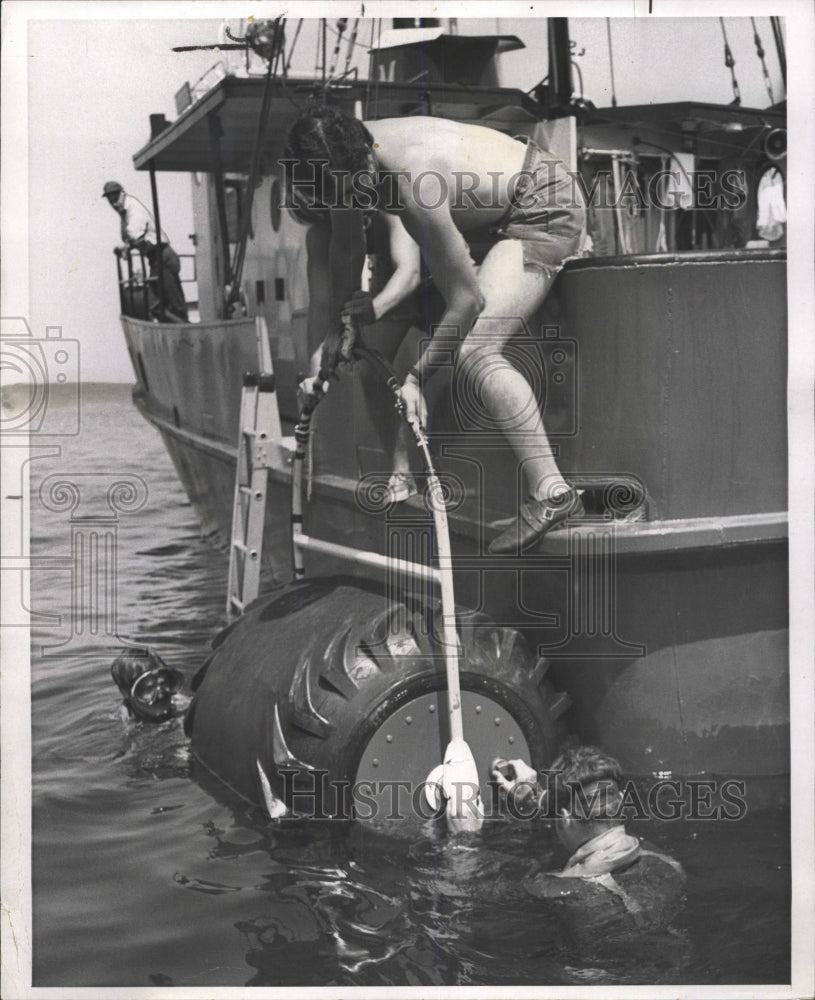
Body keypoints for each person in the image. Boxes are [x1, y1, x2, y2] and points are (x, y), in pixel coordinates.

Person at [283, 105, 586, 550]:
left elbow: (467, 300)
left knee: (476, 350)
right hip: (489, 215)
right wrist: (337, 335)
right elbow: (346, 249)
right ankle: (404, 477)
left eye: (360, 188)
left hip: (541, 201)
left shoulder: (414, 179)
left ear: (369, 155)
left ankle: (552, 493)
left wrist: (416, 377)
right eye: (345, 196)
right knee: (381, 349)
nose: (359, 200)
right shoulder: (344, 162)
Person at [288, 181, 426, 502]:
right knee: (368, 371)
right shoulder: (319, 236)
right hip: (387, 289)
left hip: (434, 280)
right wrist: (314, 376)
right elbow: (322, 308)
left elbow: (410, 272)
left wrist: (375, 308)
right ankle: (402, 472)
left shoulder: (389, 206)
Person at [491, 746, 686, 952]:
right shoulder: (667, 864)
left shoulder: (553, 890)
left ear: (564, 818)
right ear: (620, 799)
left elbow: (467, 884)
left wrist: (464, 837)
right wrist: (536, 797)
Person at [102, 180, 188, 322]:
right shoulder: (124, 211)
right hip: (155, 260)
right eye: (109, 199)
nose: (112, 202)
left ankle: (185, 331)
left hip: (164, 258)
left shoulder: (132, 207)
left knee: (175, 305)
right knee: (157, 307)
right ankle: (174, 331)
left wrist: (125, 247)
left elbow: (135, 231)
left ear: (121, 194)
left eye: (114, 197)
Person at [111, 647, 191, 723]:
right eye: (148, 688)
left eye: (163, 683)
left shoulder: (182, 704)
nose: (160, 695)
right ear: (125, 692)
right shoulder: (122, 721)